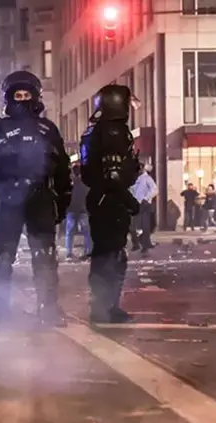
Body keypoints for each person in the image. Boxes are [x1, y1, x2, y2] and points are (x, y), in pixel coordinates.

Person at [0, 70, 71, 327]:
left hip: (40, 195)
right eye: (17, 95)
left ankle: (48, 307)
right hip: (8, 196)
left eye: (27, 95)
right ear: (8, 98)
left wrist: (63, 198)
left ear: (36, 96)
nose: (22, 100)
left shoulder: (47, 128)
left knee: (45, 254)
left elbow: (62, 166)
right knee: (3, 253)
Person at [79, 84, 140, 324]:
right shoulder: (113, 132)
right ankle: (106, 308)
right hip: (110, 200)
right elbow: (113, 174)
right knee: (111, 256)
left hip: (102, 199)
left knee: (106, 254)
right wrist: (129, 199)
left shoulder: (96, 131)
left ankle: (103, 306)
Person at [65, 169, 91, 260]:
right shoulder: (85, 184)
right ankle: (88, 253)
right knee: (86, 232)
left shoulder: (70, 184)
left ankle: (68, 254)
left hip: (72, 210)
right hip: (82, 210)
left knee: (69, 233)